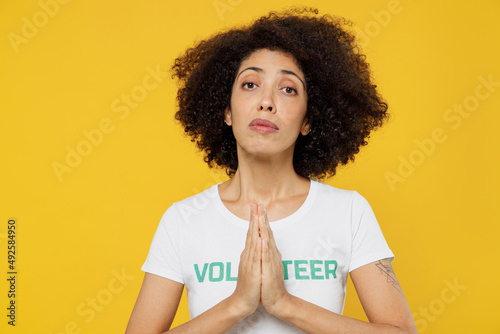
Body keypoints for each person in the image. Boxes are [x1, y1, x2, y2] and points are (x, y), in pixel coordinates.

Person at [126, 7, 417, 334]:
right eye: (250, 84)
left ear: (308, 120)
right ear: (226, 112)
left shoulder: (348, 212)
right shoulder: (183, 220)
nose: (266, 101)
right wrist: (237, 304)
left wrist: (285, 305)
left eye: (288, 89)